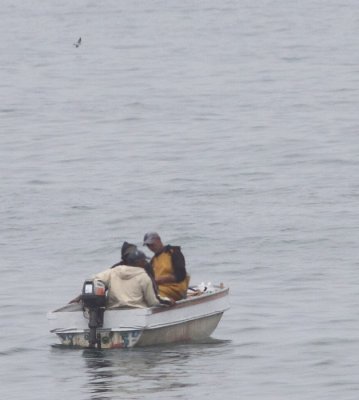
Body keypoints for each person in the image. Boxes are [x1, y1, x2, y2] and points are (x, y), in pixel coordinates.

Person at [92, 249, 172, 309]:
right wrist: (167, 300)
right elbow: (152, 302)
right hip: (138, 312)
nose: (145, 263)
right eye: (144, 261)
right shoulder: (144, 277)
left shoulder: (114, 271)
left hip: (113, 311)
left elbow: (95, 279)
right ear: (139, 263)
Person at [143, 232, 189, 301]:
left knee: (153, 293)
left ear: (158, 240)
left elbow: (181, 275)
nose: (151, 247)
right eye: (148, 245)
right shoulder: (153, 261)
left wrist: (163, 279)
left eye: (152, 244)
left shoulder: (173, 252)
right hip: (160, 288)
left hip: (177, 288)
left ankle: (164, 303)